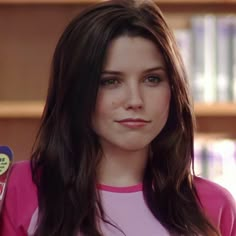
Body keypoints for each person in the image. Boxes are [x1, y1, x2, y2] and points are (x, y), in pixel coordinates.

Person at [0, 0, 235, 235]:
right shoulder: (18, 188)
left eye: (152, 79)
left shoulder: (214, 206)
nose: (135, 100)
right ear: (75, 89)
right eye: (110, 81)